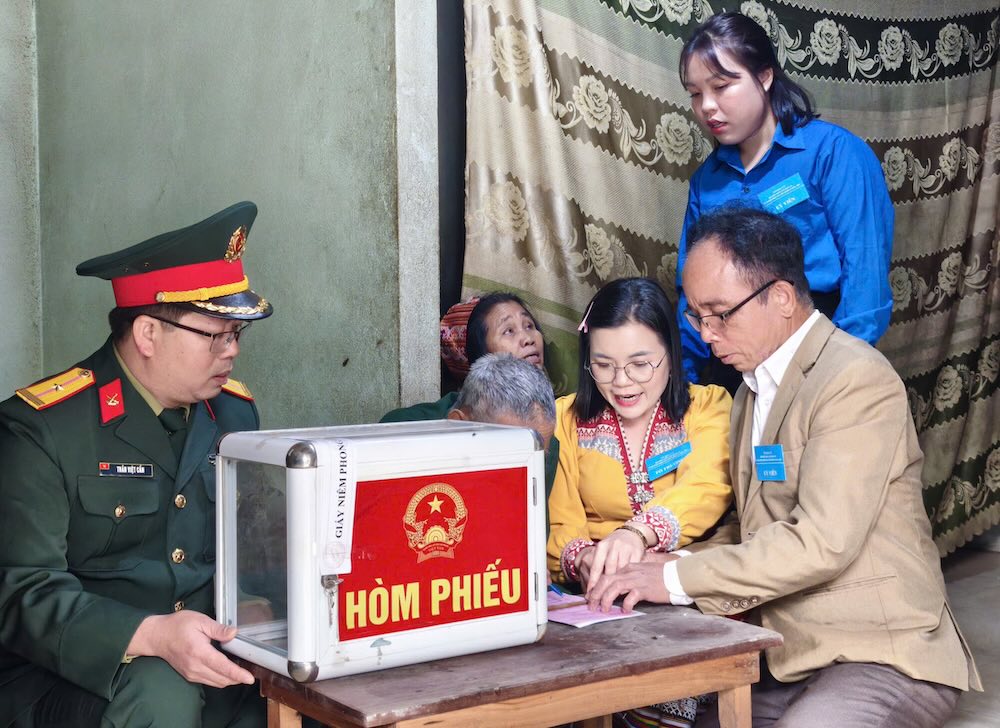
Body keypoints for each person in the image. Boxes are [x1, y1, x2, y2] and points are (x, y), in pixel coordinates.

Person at [588, 208, 980, 727]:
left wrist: (678, 576)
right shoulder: (752, 392)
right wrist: (664, 559)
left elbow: (821, 539)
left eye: (720, 314)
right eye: (695, 317)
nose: (706, 335)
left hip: (880, 652)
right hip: (790, 653)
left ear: (782, 297)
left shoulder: (855, 379)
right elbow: (753, 528)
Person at [0, 202, 273, 728]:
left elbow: (259, 539)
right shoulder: (42, 428)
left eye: (237, 334)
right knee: (159, 689)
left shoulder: (234, 413)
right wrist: (148, 635)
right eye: (215, 334)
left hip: (206, 659)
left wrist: (262, 603)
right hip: (70, 677)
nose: (231, 352)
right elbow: (22, 591)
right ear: (148, 333)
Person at [676, 11, 893, 388]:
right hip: (733, 365)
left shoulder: (833, 154)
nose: (707, 106)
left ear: (764, 75)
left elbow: (865, 277)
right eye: (696, 94)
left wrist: (837, 374)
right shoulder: (705, 182)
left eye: (721, 86)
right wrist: (687, 386)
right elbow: (691, 292)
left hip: (820, 350)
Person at [548, 277, 732, 588]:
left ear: (671, 357)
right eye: (604, 365)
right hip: (599, 589)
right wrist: (582, 559)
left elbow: (707, 484)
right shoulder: (563, 419)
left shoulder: (709, 407)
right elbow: (558, 520)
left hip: (690, 582)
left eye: (640, 364)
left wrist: (637, 533)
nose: (621, 382)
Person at [382, 292, 560, 497]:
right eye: (509, 331)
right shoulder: (404, 428)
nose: (528, 338)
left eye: (529, 326)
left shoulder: (545, 436)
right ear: (481, 357)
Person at [444, 352, 556, 454]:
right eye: (510, 459)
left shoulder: (544, 446)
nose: (527, 474)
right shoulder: (427, 458)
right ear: (458, 426)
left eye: (540, 460)